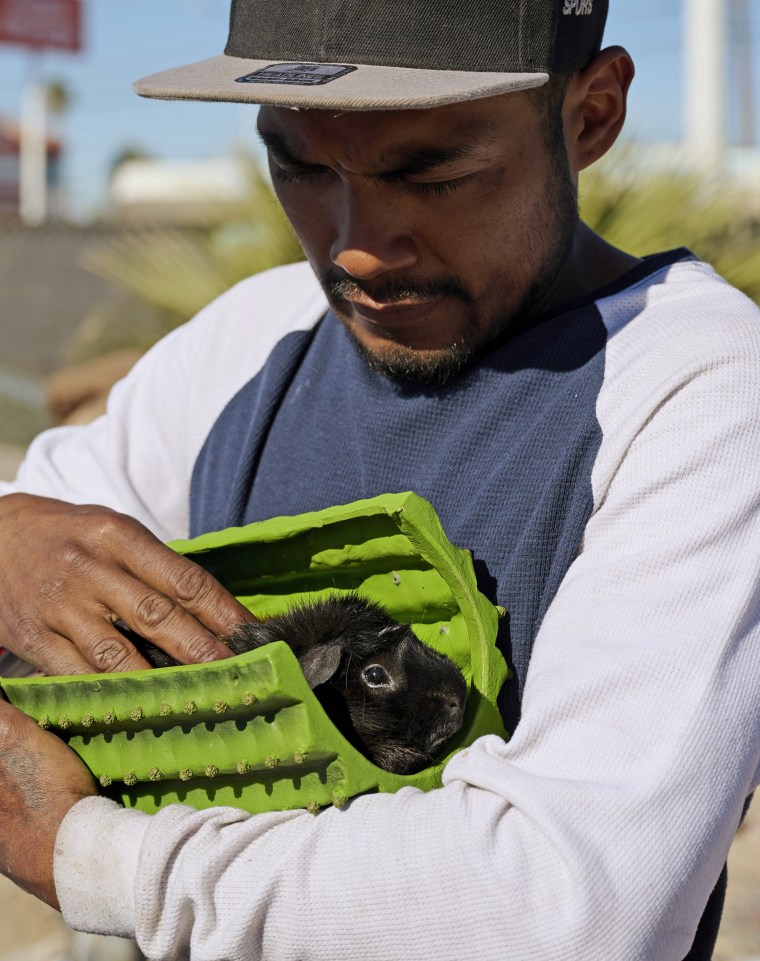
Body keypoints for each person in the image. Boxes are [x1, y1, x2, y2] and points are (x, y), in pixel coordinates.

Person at [0, 0, 758, 958]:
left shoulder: (703, 388)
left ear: (590, 114)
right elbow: (34, 541)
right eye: (300, 164)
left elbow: (571, 905)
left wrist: (90, 858)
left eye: (431, 170)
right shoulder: (250, 340)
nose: (356, 246)